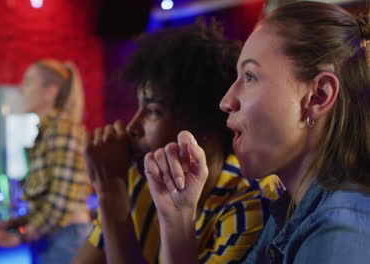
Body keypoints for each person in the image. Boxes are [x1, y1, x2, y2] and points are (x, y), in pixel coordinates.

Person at [144, 2, 370, 263]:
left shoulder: (339, 233)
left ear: (318, 96)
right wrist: (177, 218)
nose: (226, 101)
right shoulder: (290, 211)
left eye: (250, 77)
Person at [72, 20, 281, 264]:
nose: (132, 127)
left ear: (204, 125)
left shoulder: (250, 204)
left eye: (153, 111)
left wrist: (110, 193)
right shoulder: (141, 184)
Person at [0, 59, 92, 264]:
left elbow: (61, 202)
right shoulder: (49, 131)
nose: (22, 90)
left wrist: (19, 235)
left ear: (51, 91)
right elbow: (46, 201)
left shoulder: (63, 130)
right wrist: (10, 224)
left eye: (29, 82)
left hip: (66, 238)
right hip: (55, 237)